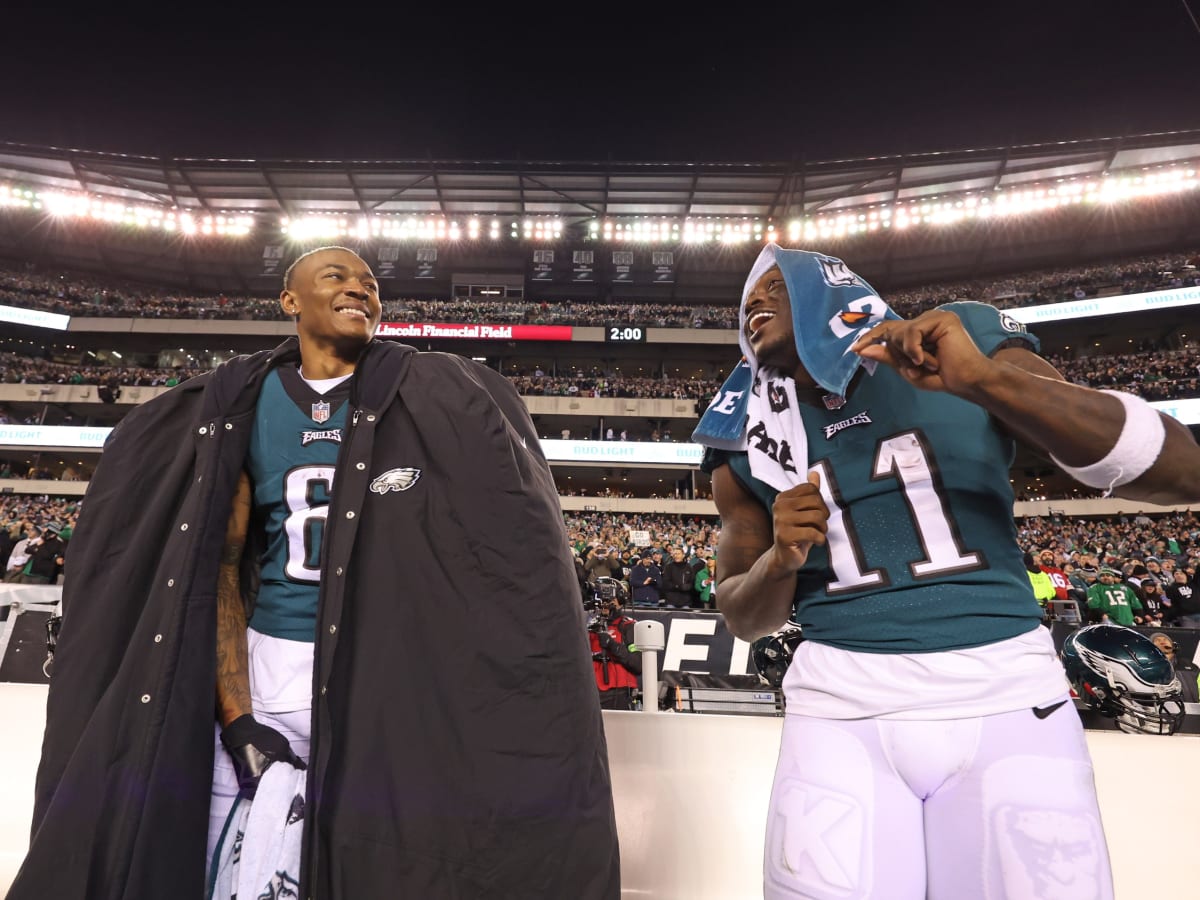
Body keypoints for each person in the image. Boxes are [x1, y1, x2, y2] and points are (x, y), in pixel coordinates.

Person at [10, 246, 620, 899]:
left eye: (371, 283)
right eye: (337, 276)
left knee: (374, 864)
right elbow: (218, 568)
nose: (361, 290)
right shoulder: (242, 403)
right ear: (290, 300)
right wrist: (238, 716)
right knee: (224, 870)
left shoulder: (432, 397)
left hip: (380, 678)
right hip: (268, 668)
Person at [693, 244, 1200, 899]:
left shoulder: (954, 336)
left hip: (1007, 693)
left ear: (825, 288)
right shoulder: (742, 431)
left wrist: (985, 381)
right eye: (746, 300)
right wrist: (780, 561)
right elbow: (742, 613)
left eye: (772, 286)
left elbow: (1180, 469)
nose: (753, 303)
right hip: (840, 707)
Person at [588, 589, 641, 710]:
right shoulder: (589, 627)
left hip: (619, 692)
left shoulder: (629, 626)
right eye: (601, 599)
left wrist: (612, 645)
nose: (605, 603)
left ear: (621, 602)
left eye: (610, 599)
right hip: (590, 692)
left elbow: (638, 664)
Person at [1149, 631, 1200, 703]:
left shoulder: (1190, 666)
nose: (1162, 642)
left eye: (1165, 640)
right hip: (1165, 710)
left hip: (1193, 708)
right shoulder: (1149, 668)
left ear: (1174, 646)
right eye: (1157, 640)